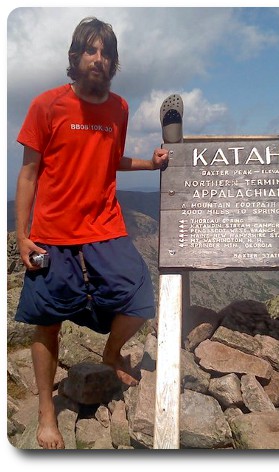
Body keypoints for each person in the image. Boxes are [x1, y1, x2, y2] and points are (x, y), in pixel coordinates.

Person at [14, 17, 169, 449]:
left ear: (113, 62)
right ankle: (48, 412)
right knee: (46, 324)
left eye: (106, 53)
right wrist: (22, 236)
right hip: (53, 233)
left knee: (140, 298)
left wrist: (150, 164)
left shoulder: (119, 108)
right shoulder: (46, 106)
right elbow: (28, 174)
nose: (98, 59)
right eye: (90, 50)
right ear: (75, 56)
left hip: (104, 227)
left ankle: (110, 352)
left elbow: (111, 159)